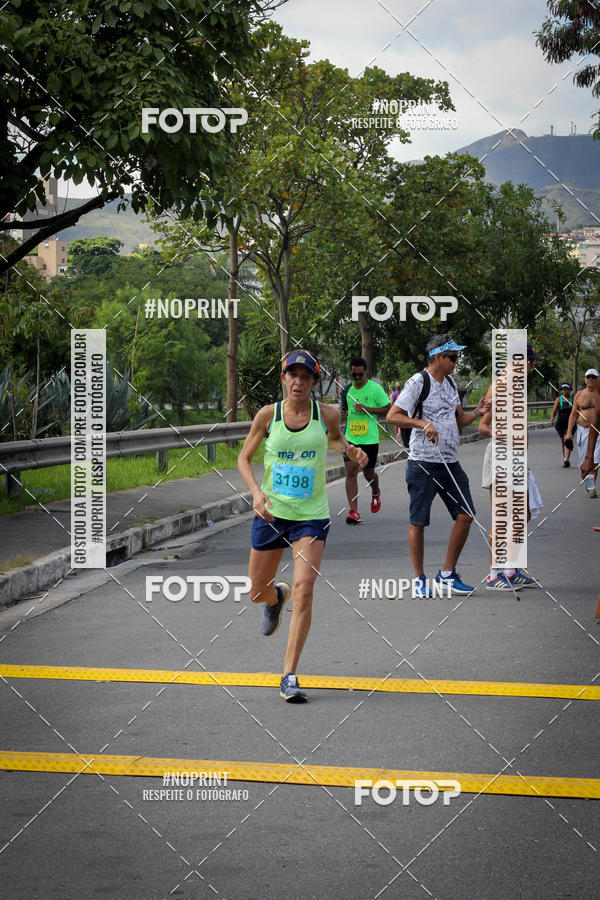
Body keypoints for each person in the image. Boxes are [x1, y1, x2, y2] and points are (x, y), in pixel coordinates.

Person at [238, 349, 367, 702]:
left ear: (314, 381)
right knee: (255, 591)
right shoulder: (268, 416)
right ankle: (274, 597)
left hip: (311, 515)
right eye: (292, 375)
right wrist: (255, 493)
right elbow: (244, 458)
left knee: (305, 589)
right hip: (271, 514)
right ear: (283, 379)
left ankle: (289, 675)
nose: (298, 381)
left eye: (306, 376)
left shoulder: (326, 414)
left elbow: (335, 439)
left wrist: (351, 450)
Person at [386, 334, 491, 596]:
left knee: (466, 515)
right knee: (418, 522)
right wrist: (423, 424)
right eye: (452, 357)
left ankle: (447, 573)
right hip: (423, 463)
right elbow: (392, 416)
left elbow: (459, 422)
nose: (456, 361)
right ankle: (419, 578)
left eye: (457, 357)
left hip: (450, 463)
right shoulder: (417, 382)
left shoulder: (451, 383)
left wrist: (477, 412)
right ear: (437, 357)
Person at [478, 345, 540, 591]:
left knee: (521, 514)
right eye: (529, 362)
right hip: (502, 457)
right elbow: (483, 426)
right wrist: (501, 436)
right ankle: (494, 574)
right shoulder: (500, 386)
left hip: (518, 460)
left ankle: (511, 569)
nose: (532, 367)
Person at [340, 356, 390, 524]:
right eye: (354, 375)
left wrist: (367, 408)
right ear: (351, 373)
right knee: (351, 472)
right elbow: (344, 412)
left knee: (368, 474)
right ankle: (353, 512)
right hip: (351, 438)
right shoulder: (346, 390)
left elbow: (388, 409)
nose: (357, 378)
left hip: (369, 440)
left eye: (360, 374)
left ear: (365, 372)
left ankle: (375, 491)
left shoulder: (375, 389)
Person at [565, 368, 600, 498]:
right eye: (588, 376)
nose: (591, 379)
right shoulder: (579, 395)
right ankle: (589, 480)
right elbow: (573, 415)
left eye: (593, 377)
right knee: (583, 464)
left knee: (595, 460)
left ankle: (592, 487)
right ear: (585, 379)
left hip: (598, 432)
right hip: (582, 431)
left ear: (597, 379)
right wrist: (569, 432)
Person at [551, 383, 575, 467]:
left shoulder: (574, 399)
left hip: (570, 423)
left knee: (567, 439)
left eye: (567, 389)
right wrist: (552, 417)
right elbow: (554, 410)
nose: (565, 391)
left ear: (570, 390)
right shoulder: (559, 399)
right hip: (560, 423)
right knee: (563, 441)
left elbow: (577, 410)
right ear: (561, 390)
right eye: (563, 389)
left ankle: (567, 459)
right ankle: (565, 458)